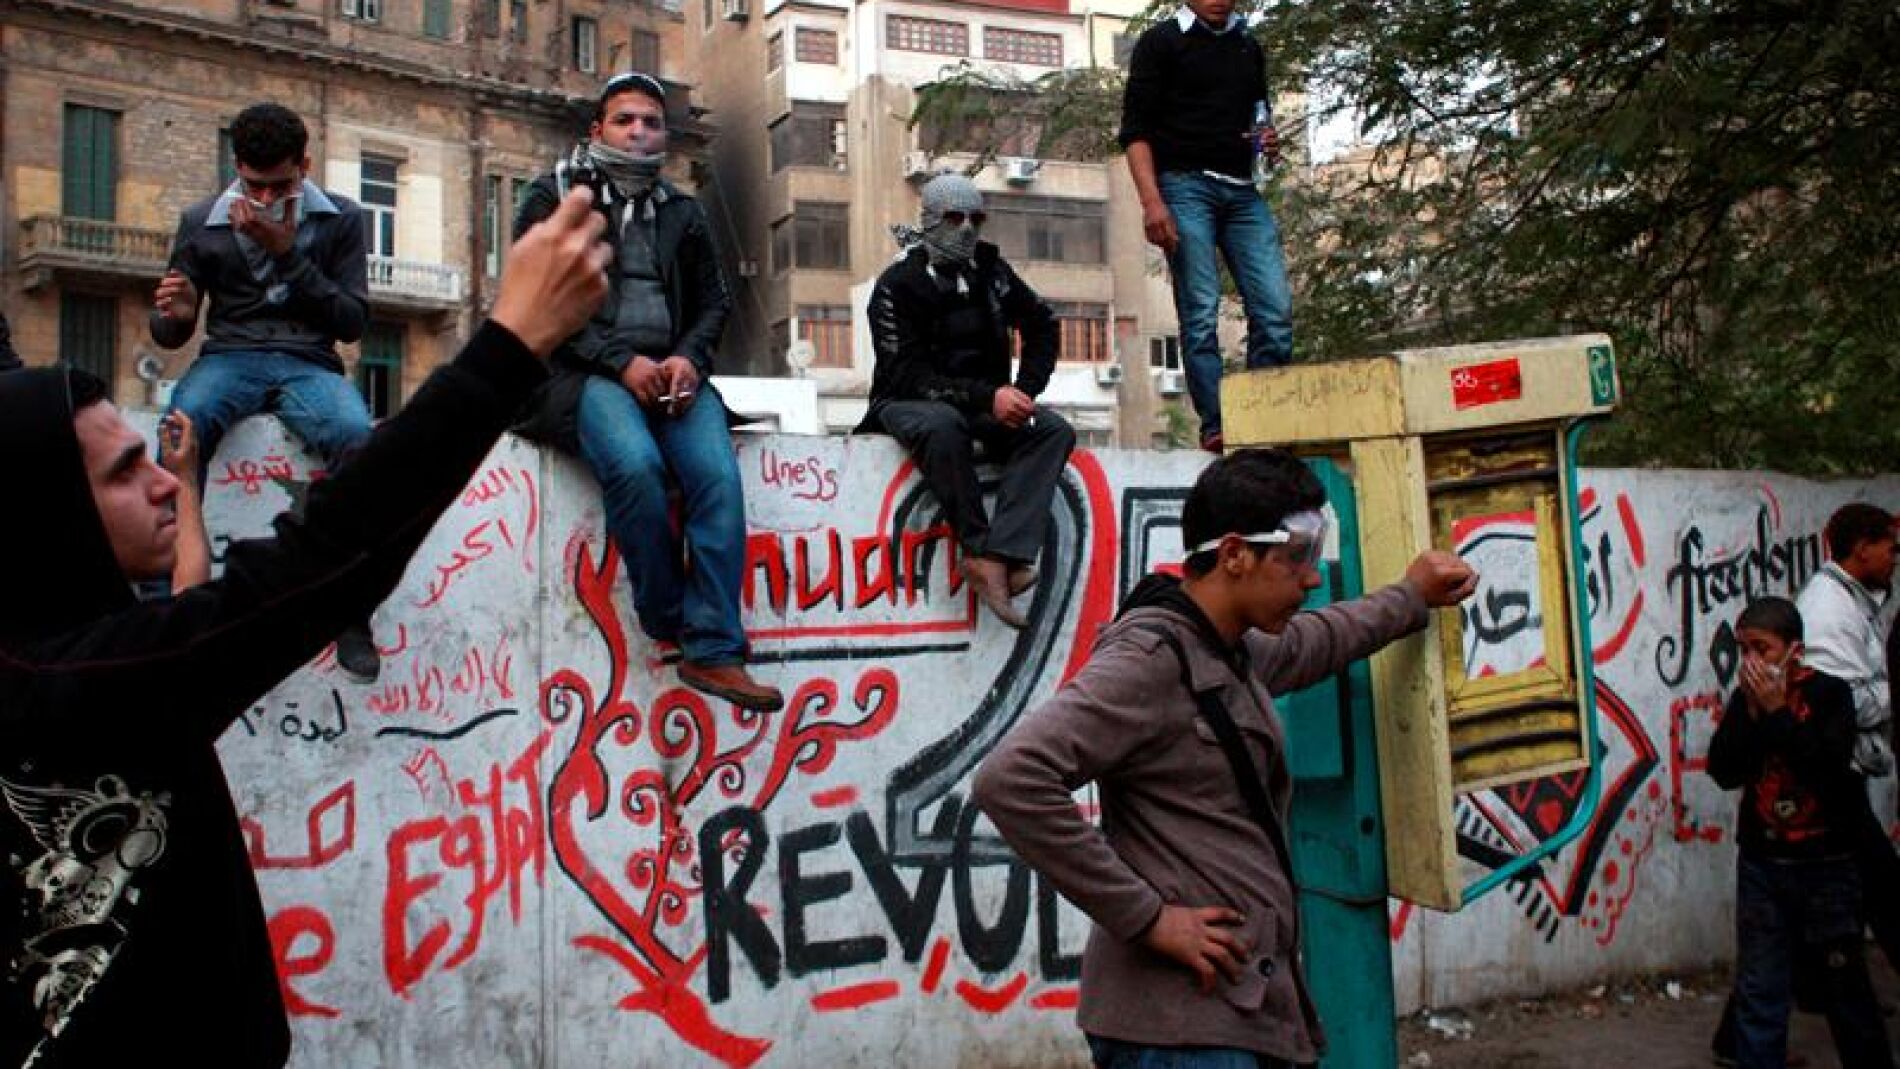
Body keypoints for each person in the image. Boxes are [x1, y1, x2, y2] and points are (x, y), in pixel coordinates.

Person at [0, 185, 610, 1068]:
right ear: (46, 513)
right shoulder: (65, 686)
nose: (166, 483)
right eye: (126, 471)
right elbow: (321, 557)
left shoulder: (72, 652)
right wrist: (510, 343)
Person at [973, 448, 1477, 1068]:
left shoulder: (1224, 652)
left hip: (1230, 1018)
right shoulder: (1151, 660)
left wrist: (1411, 596)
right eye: (1297, 557)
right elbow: (1010, 780)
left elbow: (1314, 642)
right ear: (1235, 554)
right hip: (1180, 1034)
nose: (1312, 577)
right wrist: (1150, 919)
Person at [513, 71, 781, 713]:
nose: (639, 132)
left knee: (716, 477)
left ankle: (715, 649)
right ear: (597, 130)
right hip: (583, 374)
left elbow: (715, 301)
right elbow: (536, 297)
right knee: (635, 466)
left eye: (651, 123)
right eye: (624, 120)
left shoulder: (682, 211)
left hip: (671, 375)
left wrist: (688, 360)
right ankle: (668, 618)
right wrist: (620, 360)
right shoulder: (553, 197)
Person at [148, 102, 382, 682]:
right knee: (182, 426)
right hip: (230, 355)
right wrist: (172, 319)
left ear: (304, 165)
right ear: (237, 167)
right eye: (254, 186)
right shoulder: (203, 221)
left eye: (280, 185)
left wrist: (285, 251)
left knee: (356, 435)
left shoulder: (341, 219)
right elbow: (173, 328)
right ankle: (159, 604)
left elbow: (351, 321)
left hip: (309, 361)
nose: (265, 198)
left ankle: (350, 605)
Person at [860, 173, 1074, 630]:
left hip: (981, 407)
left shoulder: (992, 274)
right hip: (906, 402)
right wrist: (986, 396)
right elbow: (905, 375)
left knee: (1052, 430)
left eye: (976, 218)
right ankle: (977, 551)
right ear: (931, 220)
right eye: (955, 218)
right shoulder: (896, 286)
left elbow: (1042, 324)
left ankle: (1006, 554)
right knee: (941, 426)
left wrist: (1024, 393)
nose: (967, 230)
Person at [1706, 597, 1894, 1069]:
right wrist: (1753, 713)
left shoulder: (1830, 695)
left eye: (1762, 649)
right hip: (1764, 865)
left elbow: (1826, 770)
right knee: (1760, 989)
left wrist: (1778, 713)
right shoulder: (1745, 702)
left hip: (1826, 864)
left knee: (1846, 989)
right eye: (1743, 648)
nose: (1750, 662)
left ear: (1795, 651)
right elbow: (1723, 769)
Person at [1119, 0, 1294, 454]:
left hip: (1242, 189)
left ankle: (1265, 415)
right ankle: (1218, 424)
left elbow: (1259, 115)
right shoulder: (1160, 42)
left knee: (1274, 311)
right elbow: (1135, 133)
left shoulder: (1247, 45)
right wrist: (1152, 202)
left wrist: (1266, 138)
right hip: (1183, 186)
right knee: (1200, 312)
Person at [1794, 502, 1900, 972]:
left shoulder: (1847, 599)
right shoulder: (1829, 609)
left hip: (1839, 769)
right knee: (1880, 883)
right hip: (1831, 772)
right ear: (1862, 549)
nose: (1895, 558)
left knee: (1838, 894)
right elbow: (1840, 703)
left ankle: (1746, 1030)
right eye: (1890, 548)